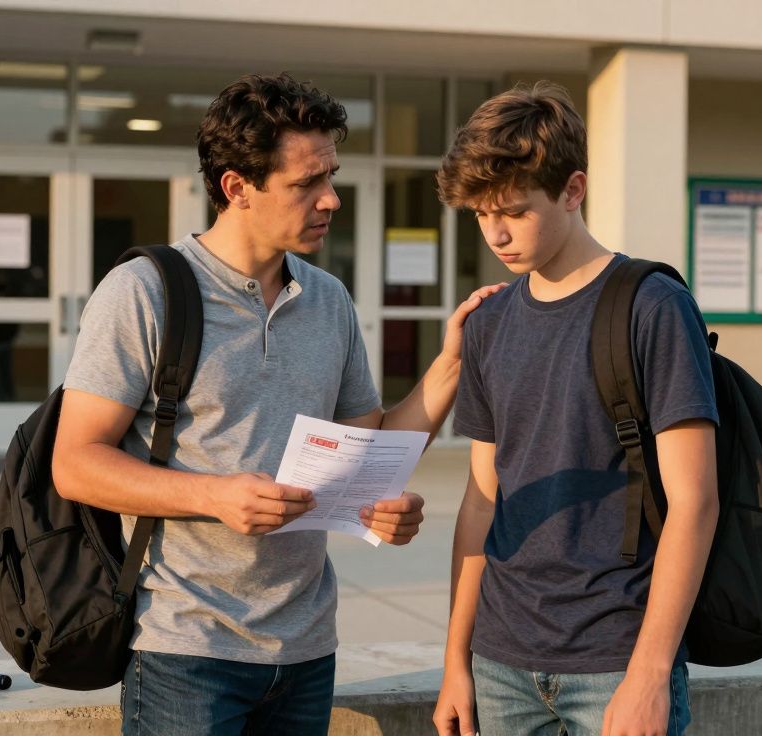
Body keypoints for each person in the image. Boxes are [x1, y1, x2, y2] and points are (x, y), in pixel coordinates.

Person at [49, 73, 502, 735]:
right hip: (186, 650)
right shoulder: (144, 291)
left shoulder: (330, 301)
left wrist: (447, 372)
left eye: (332, 176)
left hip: (307, 650)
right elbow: (75, 463)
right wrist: (215, 496)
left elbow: (363, 450)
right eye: (306, 184)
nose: (332, 200)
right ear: (237, 187)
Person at [431, 82, 718, 736]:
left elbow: (696, 502)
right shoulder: (489, 324)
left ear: (573, 189)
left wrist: (649, 674)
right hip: (501, 662)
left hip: (616, 658)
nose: (496, 233)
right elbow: (481, 501)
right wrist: (455, 659)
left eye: (514, 211)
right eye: (480, 213)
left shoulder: (652, 306)